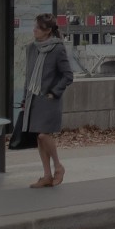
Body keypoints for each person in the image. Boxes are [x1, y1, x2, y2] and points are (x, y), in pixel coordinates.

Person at [21, 13, 74, 188]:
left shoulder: (58, 49)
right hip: (33, 99)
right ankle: (46, 175)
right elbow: (28, 77)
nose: (34, 30)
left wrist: (54, 92)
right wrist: (24, 99)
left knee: (45, 134)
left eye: (38, 27)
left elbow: (67, 75)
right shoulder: (31, 48)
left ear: (48, 31)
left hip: (50, 99)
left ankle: (58, 166)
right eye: (34, 26)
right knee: (39, 138)